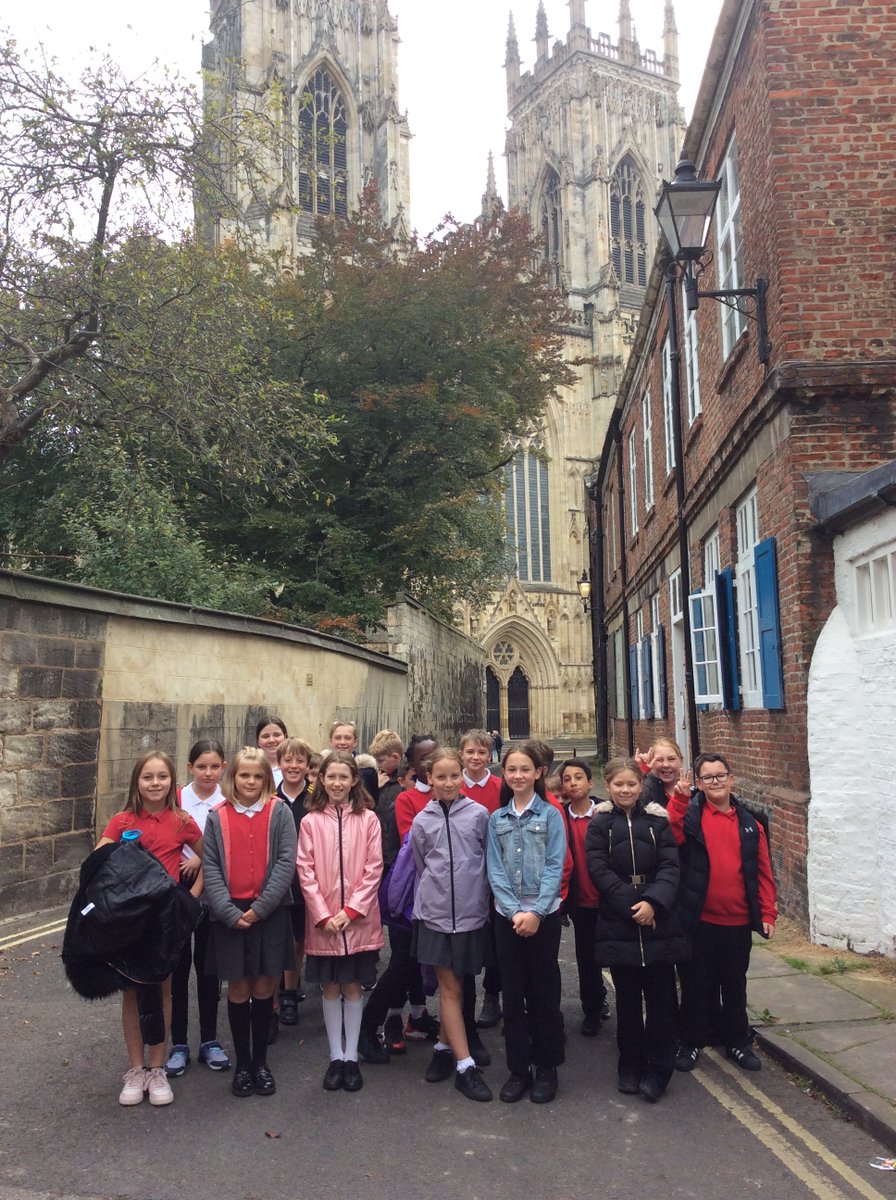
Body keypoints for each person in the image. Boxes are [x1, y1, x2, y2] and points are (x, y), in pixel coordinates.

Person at [96, 750, 204, 1107]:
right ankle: (136, 1068)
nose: (155, 783)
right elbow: (98, 863)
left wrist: (191, 899)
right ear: (137, 782)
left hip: (165, 922)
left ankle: (158, 1069)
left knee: (163, 991)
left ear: (172, 781)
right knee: (130, 993)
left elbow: (206, 859)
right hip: (130, 922)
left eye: (162, 777)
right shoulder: (122, 821)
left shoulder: (183, 821)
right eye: (148, 777)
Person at [668, 752, 777, 1073]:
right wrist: (677, 798)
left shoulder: (751, 824)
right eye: (707, 778)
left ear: (731, 779)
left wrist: (768, 913)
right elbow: (672, 835)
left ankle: (737, 1042)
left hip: (738, 922)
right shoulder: (690, 816)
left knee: (734, 986)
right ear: (698, 784)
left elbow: (763, 873)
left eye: (720, 776)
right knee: (695, 986)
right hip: (699, 920)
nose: (715, 782)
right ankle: (690, 1042)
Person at [586, 757, 687, 1101]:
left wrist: (654, 903)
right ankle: (629, 1064)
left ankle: (659, 1071)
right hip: (620, 921)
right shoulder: (599, 825)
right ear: (608, 786)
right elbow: (598, 869)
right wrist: (633, 906)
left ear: (641, 786)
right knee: (628, 1002)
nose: (626, 790)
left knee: (661, 1002)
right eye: (619, 784)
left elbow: (670, 867)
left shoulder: (658, 821)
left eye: (632, 784)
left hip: (658, 921)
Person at [202, 746, 297, 1098]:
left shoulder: (280, 813)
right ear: (233, 777)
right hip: (230, 913)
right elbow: (210, 866)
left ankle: (261, 1062)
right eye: (245, 775)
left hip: (269, 912)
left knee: (263, 990)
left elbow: (287, 862)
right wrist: (228, 912)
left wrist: (261, 907)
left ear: (266, 779)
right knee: (239, 990)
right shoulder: (217, 816)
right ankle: (242, 1064)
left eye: (258, 776)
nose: (251, 782)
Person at [296, 751, 384, 1092]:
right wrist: (322, 914)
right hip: (324, 923)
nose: (336, 783)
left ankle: (352, 1057)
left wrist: (351, 911)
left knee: (353, 986)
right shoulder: (310, 821)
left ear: (354, 781)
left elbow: (374, 868)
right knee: (330, 987)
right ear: (321, 780)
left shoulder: (369, 820)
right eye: (330, 777)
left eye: (343, 777)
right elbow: (305, 870)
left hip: (356, 921)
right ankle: (335, 1056)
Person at [411, 749, 493, 1102]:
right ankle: (465, 1066)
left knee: (459, 984)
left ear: (463, 777)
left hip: (472, 913)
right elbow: (420, 865)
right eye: (440, 777)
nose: (447, 783)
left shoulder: (479, 815)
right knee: (450, 988)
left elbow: (489, 861)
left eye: (454, 776)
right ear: (429, 778)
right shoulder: (421, 821)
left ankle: (444, 1046)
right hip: (436, 915)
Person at [487, 745, 566, 1104]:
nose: (518, 775)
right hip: (507, 918)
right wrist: (513, 910)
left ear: (538, 773)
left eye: (524, 769)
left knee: (543, 993)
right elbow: (494, 869)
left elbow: (555, 866)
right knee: (513, 995)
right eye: (511, 770)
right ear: (504, 774)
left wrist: (536, 913)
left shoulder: (551, 816)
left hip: (544, 916)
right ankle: (519, 1070)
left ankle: (547, 1067)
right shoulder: (497, 819)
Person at [166, 739, 231, 1077]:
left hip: (214, 892)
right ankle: (179, 1043)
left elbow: (222, 850)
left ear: (223, 767)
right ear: (190, 767)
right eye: (201, 766)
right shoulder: (175, 799)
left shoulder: (227, 801)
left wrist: (203, 869)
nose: (208, 773)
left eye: (214, 766)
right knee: (177, 968)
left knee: (209, 971)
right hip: (176, 891)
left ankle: (209, 1040)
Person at [559, 758, 609, 1036]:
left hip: (610, 899)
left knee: (614, 954)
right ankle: (592, 1011)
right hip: (581, 900)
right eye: (567, 779)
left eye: (579, 777)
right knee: (587, 960)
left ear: (591, 782)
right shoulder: (560, 816)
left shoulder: (606, 814)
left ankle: (611, 1003)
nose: (573, 783)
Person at [458, 729, 503, 1030]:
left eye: (481, 753)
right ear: (461, 753)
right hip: (463, 874)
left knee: (496, 940)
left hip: (497, 871)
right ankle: (463, 1000)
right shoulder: (452, 784)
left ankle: (492, 994)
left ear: (490, 756)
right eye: (470, 752)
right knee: (466, 938)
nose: (475, 758)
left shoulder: (502, 786)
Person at [276, 737, 315, 1025]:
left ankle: (291, 989)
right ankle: (274, 997)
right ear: (279, 764)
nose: (293, 765)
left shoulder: (316, 798)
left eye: (299, 760)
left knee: (298, 938)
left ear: (307, 766)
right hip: (275, 878)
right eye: (288, 760)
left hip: (305, 879)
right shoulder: (270, 797)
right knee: (276, 938)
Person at [635, 737, 690, 808]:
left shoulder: (691, 793)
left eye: (671, 759)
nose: (666, 765)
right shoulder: (647, 790)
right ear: (651, 763)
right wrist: (639, 773)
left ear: (681, 761)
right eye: (659, 760)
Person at [256, 717, 288, 787]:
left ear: (285, 736)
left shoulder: (296, 767)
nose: (271, 740)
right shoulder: (251, 767)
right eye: (265, 736)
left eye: (277, 735)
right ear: (258, 741)